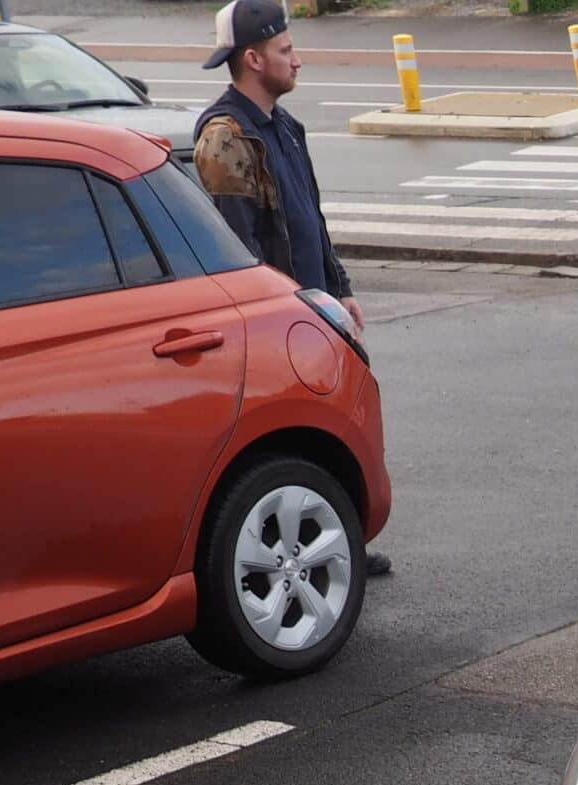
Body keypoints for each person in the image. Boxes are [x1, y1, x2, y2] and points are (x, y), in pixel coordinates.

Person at [194, 0, 391, 578]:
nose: (297, 60)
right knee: (289, 444)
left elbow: (310, 219)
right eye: (285, 51)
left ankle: (340, 538)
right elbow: (241, 248)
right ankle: (291, 551)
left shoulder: (283, 127)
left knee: (335, 432)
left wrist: (340, 286)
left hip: (315, 311)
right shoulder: (227, 138)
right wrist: (275, 313)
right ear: (253, 60)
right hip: (279, 321)